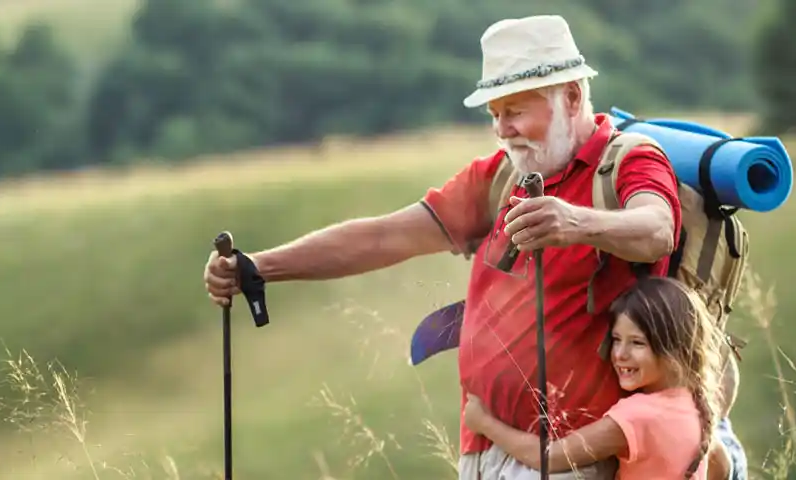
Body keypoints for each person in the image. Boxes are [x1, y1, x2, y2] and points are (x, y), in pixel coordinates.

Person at [201, 14, 747, 479]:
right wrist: (261, 267)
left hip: (573, 457)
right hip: (487, 451)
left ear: (573, 96)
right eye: (494, 115)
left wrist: (575, 222)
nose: (503, 130)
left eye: (515, 110)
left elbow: (656, 229)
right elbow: (387, 235)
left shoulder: (629, 161)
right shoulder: (500, 178)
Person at [460, 276, 728, 479]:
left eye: (637, 343)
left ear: (673, 349)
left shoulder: (638, 416)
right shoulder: (695, 406)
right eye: (615, 340)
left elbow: (549, 457)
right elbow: (722, 466)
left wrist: (484, 423)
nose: (619, 354)